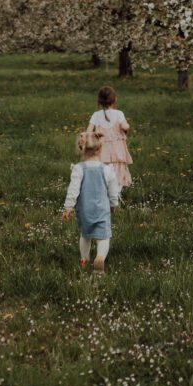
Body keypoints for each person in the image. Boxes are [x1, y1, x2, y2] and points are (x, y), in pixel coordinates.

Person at [62, 129, 120, 273]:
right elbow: (113, 190)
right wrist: (113, 204)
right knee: (104, 237)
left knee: (85, 235)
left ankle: (84, 258)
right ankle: (100, 258)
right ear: (100, 149)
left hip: (84, 211)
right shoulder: (107, 170)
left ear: (82, 149)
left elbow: (73, 190)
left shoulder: (78, 169)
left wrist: (68, 207)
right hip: (102, 210)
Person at [88, 85, 133, 188]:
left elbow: (88, 131)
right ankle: (115, 193)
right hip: (117, 151)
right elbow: (125, 126)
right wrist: (127, 127)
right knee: (117, 172)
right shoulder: (119, 114)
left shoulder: (96, 115)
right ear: (115, 99)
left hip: (101, 151)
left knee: (102, 171)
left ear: (99, 101)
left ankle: (103, 191)